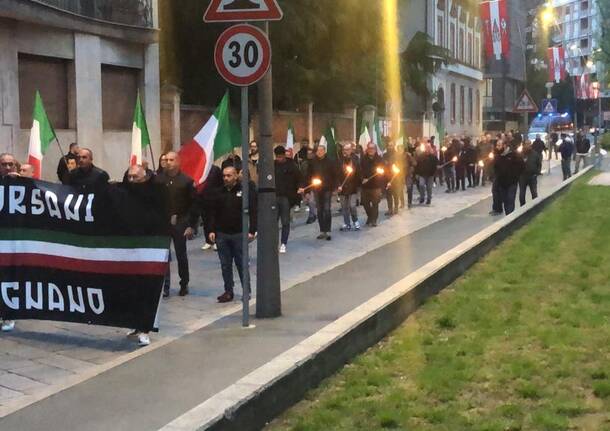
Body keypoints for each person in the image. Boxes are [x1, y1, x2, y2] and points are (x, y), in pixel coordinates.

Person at [122, 164, 169, 346]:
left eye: (136, 177)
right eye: (130, 177)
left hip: (151, 246)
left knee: (150, 287)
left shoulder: (157, 191)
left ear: (145, 177)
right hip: (130, 246)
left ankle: (146, 328)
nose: (132, 180)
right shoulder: (124, 191)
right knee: (131, 288)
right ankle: (135, 324)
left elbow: (163, 216)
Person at [208, 166, 257, 303]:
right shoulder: (219, 192)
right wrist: (211, 230)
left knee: (242, 264)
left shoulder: (244, 191)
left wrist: (252, 230)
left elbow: (253, 211)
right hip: (222, 234)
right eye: (224, 176)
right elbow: (212, 213)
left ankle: (246, 291)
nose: (226, 178)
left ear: (236, 176)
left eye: (229, 176)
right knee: (225, 265)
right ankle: (228, 291)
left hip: (239, 233)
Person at [154, 151, 197, 297]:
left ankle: (184, 283)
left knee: (181, 255)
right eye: (166, 160)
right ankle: (164, 286)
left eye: (171, 160)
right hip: (163, 222)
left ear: (178, 162)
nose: (168, 162)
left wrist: (191, 225)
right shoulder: (158, 180)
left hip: (180, 222)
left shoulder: (186, 181)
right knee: (163, 255)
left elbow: (193, 205)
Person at [300, 143, 336, 240]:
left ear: (324, 151)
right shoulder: (313, 162)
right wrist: (306, 189)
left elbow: (334, 175)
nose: (319, 152)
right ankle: (322, 231)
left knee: (327, 209)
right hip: (317, 189)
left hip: (327, 188)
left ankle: (328, 230)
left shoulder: (330, 162)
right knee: (319, 210)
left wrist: (334, 187)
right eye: (318, 151)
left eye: (321, 150)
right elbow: (308, 176)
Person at [0, 153, 19, 332]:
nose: (7, 167)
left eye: (10, 164)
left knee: (11, 278)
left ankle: (10, 314)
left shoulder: (22, 184)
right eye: (4, 164)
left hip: (14, 240)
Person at [274, 145, 301, 253]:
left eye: (281, 157)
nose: (279, 159)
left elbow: (299, 178)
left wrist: (299, 189)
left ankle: (283, 243)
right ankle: (274, 243)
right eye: (277, 157)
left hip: (286, 197)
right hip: (275, 196)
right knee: (273, 222)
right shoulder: (273, 165)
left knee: (285, 221)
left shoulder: (292, 165)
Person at [493, 139, 525, 215]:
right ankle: (508, 215)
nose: (497, 147)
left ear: (504, 146)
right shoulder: (497, 155)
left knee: (510, 200)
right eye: (497, 145)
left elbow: (522, 166)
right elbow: (495, 168)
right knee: (505, 201)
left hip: (512, 183)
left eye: (499, 145)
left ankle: (509, 217)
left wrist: (515, 176)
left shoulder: (514, 155)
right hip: (501, 183)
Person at [337, 143, 361, 231]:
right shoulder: (340, 160)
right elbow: (337, 173)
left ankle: (355, 221)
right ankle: (347, 223)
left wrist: (358, 185)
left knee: (352, 206)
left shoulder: (355, 159)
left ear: (351, 150)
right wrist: (338, 185)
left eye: (347, 149)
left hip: (352, 186)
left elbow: (358, 172)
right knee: (344, 207)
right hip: (342, 187)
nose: (346, 151)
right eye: (344, 150)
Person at [199, 164, 223, 251]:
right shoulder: (200, 168)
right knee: (205, 220)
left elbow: (221, 183)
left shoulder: (215, 169)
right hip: (203, 198)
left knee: (215, 220)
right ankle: (208, 241)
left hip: (215, 198)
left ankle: (216, 240)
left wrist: (218, 194)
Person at [360, 142, 384, 226]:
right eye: (369, 148)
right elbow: (360, 170)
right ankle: (370, 216)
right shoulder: (363, 159)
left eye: (372, 148)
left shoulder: (379, 159)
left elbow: (382, 171)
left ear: (375, 149)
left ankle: (374, 220)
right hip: (365, 186)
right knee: (365, 204)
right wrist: (362, 178)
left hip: (376, 185)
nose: (371, 150)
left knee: (375, 203)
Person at [519, 141, 542, 207]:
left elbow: (539, 164)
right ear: (524, 145)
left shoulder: (535, 154)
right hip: (522, 177)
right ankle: (522, 207)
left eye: (529, 144)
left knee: (534, 193)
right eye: (526, 144)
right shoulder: (521, 154)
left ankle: (535, 206)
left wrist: (537, 172)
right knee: (522, 194)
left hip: (532, 176)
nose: (528, 146)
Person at [383, 141, 400, 216]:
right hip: (387, 176)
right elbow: (382, 163)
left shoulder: (397, 155)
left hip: (395, 177)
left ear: (394, 146)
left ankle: (396, 207)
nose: (390, 147)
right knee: (388, 193)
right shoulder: (385, 155)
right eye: (389, 146)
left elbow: (400, 164)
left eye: (391, 145)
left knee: (395, 193)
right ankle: (390, 208)